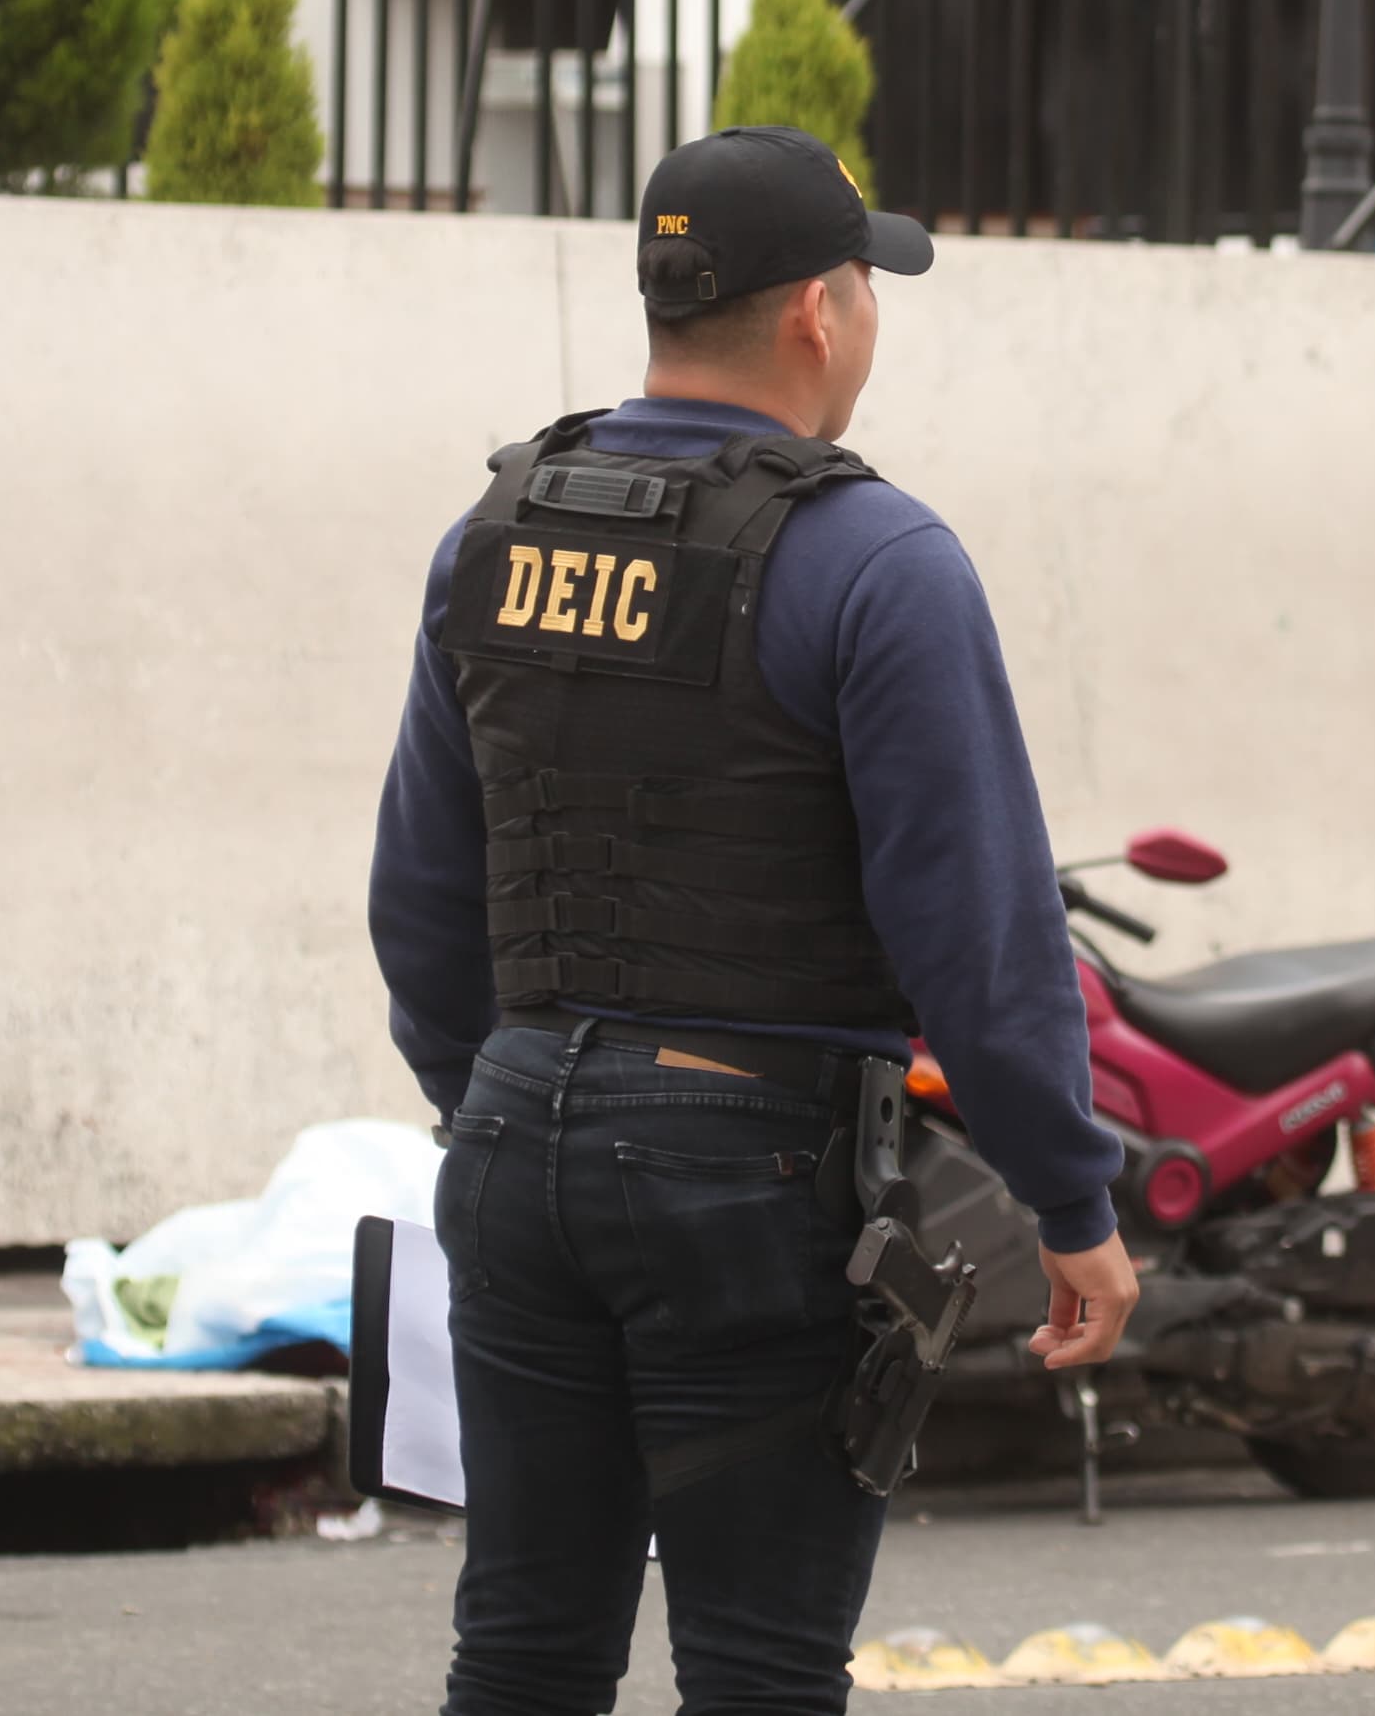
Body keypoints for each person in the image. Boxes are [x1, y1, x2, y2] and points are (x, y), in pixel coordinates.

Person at [371, 123, 1139, 1716]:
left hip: (512, 1141)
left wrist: (501, 1107)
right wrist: (1071, 1200)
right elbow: (978, 934)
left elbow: (422, 898)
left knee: (520, 1653)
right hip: (749, 1169)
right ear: (818, 311)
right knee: (760, 1669)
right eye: (870, 284)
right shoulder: (876, 560)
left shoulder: (497, 537)